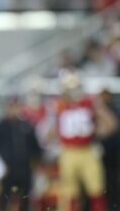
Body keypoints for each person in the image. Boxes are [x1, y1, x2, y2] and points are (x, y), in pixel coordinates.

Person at [51, 70, 114, 211]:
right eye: (70, 88)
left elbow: (111, 124)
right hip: (68, 151)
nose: (74, 91)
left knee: (96, 190)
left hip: (87, 150)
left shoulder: (90, 103)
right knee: (70, 194)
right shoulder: (59, 105)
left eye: (76, 87)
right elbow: (50, 132)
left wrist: (97, 132)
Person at [0, 98, 42, 211]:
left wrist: (36, 163)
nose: (15, 110)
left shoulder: (26, 126)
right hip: (7, 169)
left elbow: (35, 147)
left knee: (25, 198)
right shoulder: (1, 126)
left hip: (24, 168)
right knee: (5, 197)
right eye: (12, 107)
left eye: (17, 107)